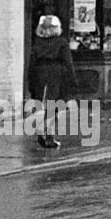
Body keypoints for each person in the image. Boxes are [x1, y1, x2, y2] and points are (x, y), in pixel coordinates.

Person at [29, 15, 77, 149]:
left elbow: (31, 66)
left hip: (39, 75)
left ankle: (41, 133)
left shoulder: (37, 43)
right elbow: (69, 63)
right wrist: (72, 83)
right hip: (56, 75)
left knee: (41, 106)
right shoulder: (61, 43)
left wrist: (31, 84)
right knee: (52, 107)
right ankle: (48, 137)